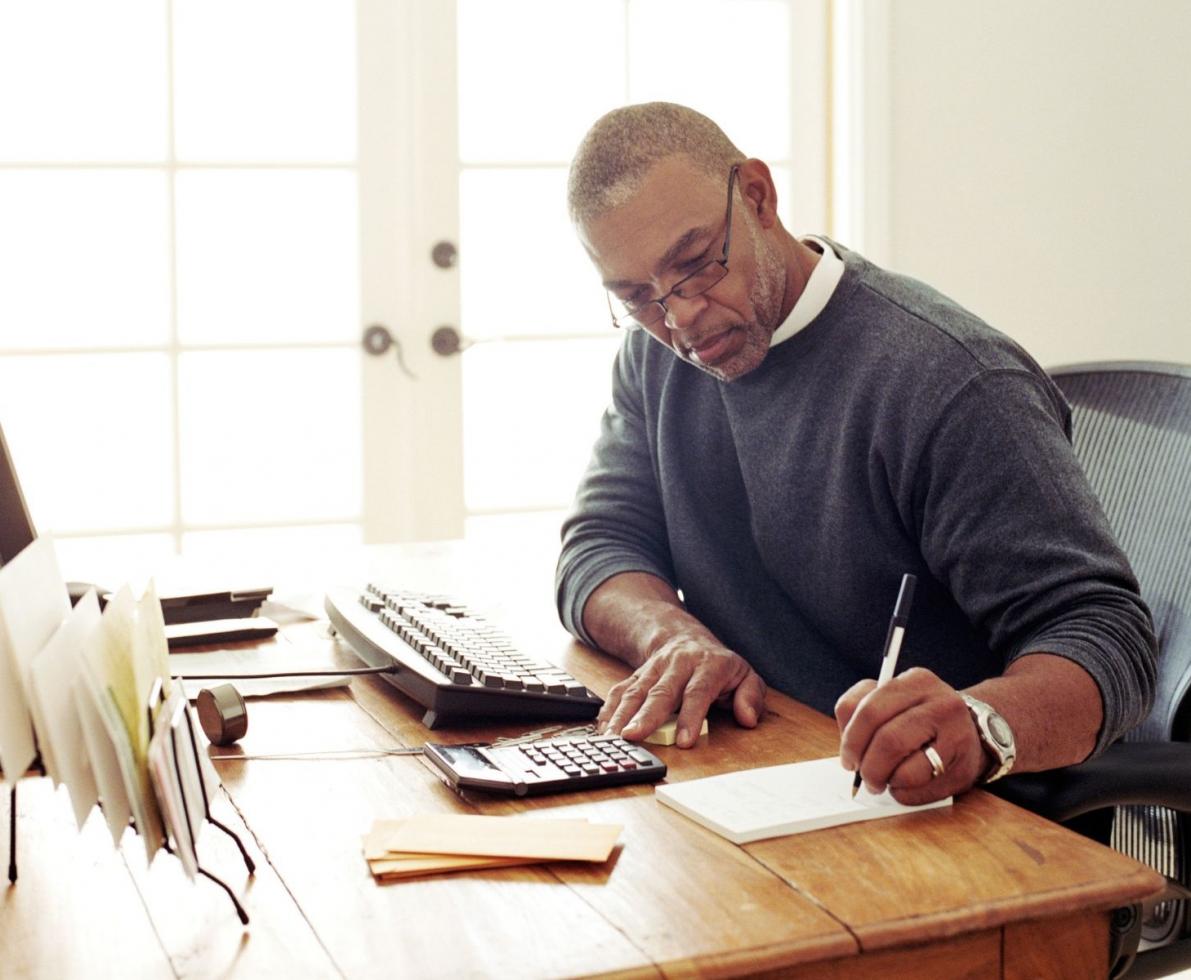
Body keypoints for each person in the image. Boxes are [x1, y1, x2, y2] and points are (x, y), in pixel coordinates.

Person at [554, 102, 1157, 804]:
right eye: (637, 297)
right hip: (757, 776)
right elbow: (600, 545)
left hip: (943, 814)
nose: (678, 317)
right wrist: (672, 639)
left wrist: (979, 723)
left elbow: (1107, 636)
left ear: (756, 196)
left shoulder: (949, 381)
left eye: (695, 265)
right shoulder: (655, 359)